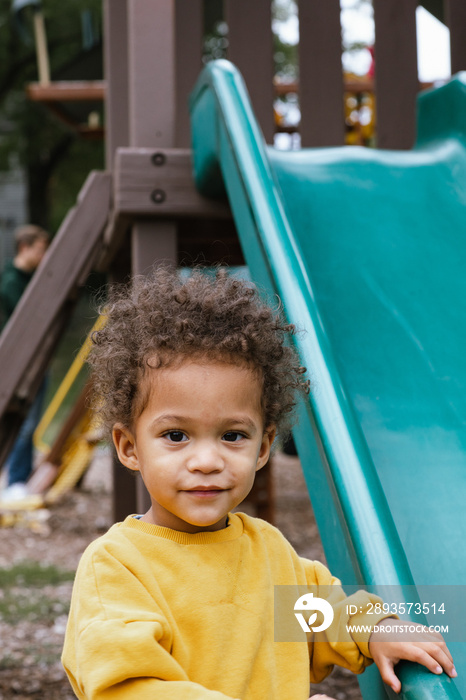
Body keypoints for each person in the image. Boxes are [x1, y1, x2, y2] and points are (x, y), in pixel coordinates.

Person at [62, 267, 456, 699]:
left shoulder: (267, 552)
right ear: (129, 447)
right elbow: (130, 689)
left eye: (233, 436)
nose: (208, 461)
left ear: (264, 447)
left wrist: (375, 630)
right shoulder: (117, 566)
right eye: (176, 435)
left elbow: (326, 615)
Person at [0, 224, 50, 498]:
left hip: (34, 361)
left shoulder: (30, 278)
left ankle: (20, 478)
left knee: (32, 422)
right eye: (41, 249)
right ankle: (15, 482)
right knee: (25, 421)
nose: (45, 256)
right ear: (24, 248)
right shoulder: (11, 281)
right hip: (21, 362)